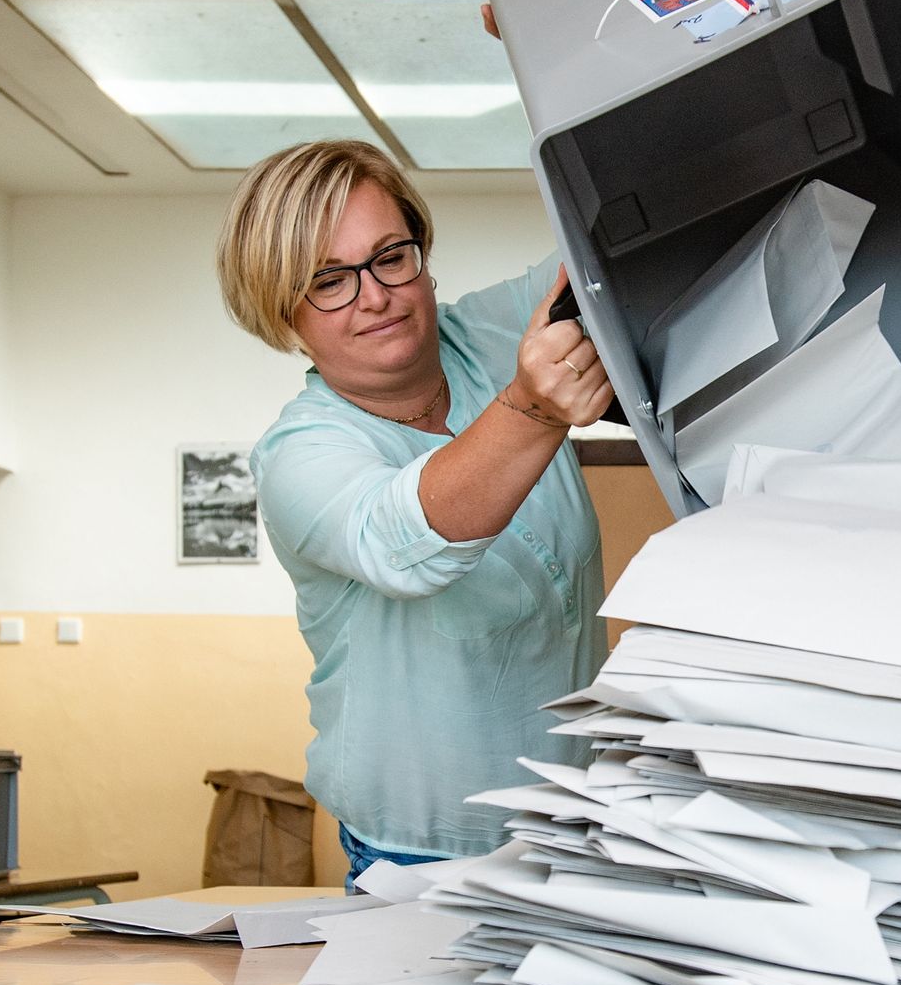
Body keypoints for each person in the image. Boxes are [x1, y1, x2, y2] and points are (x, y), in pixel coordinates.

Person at [217, 137, 613, 882]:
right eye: (328, 279)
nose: (374, 294)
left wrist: (570, 39)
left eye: (391, 256)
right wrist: (531, 408)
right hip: (417, 857)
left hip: (574, 831)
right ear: (282, 310)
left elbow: (607, 246)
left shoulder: (488, 338)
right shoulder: (300, 454)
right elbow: (404, 542)